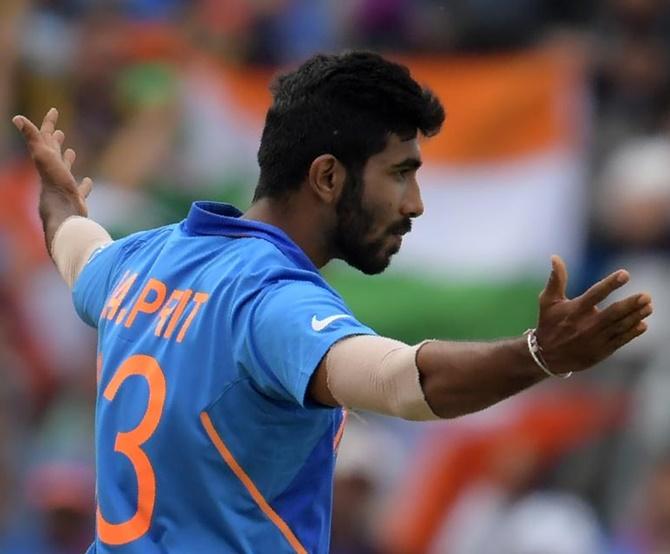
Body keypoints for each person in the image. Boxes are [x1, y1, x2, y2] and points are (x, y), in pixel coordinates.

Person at [13, 51, 652, 554]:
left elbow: (74, 246)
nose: (416, 204)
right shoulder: (272, 302)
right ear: (327, 177)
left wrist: (58, 198)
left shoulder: (137, 263)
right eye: (401, 172)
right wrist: (540, 354)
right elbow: (401, 383)